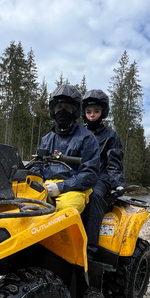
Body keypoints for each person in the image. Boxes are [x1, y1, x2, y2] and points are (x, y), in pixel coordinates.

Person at [38, 84, 101, 215]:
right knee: (25, 206)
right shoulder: (46, 139)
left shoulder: (87, 138)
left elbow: (90, 174)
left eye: (67, 108)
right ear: (53, 110)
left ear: (75, 111)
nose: (62, 111)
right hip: (46, 186)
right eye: (59, 107)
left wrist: (61, 187)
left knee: (67, 212)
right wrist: (38, 182)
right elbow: (36, 166)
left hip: (75, 189)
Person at [81, 89, 125, 261]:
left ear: (103, 113)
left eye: (96, 111)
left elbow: (114, 162)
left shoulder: (111, 136)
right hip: (80, 174)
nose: (92, 115)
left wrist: (117, 182)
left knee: (94, 196)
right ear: (84, 113)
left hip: (101, 176)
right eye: (89, 111)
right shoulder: (79, 134)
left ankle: (90, 248)